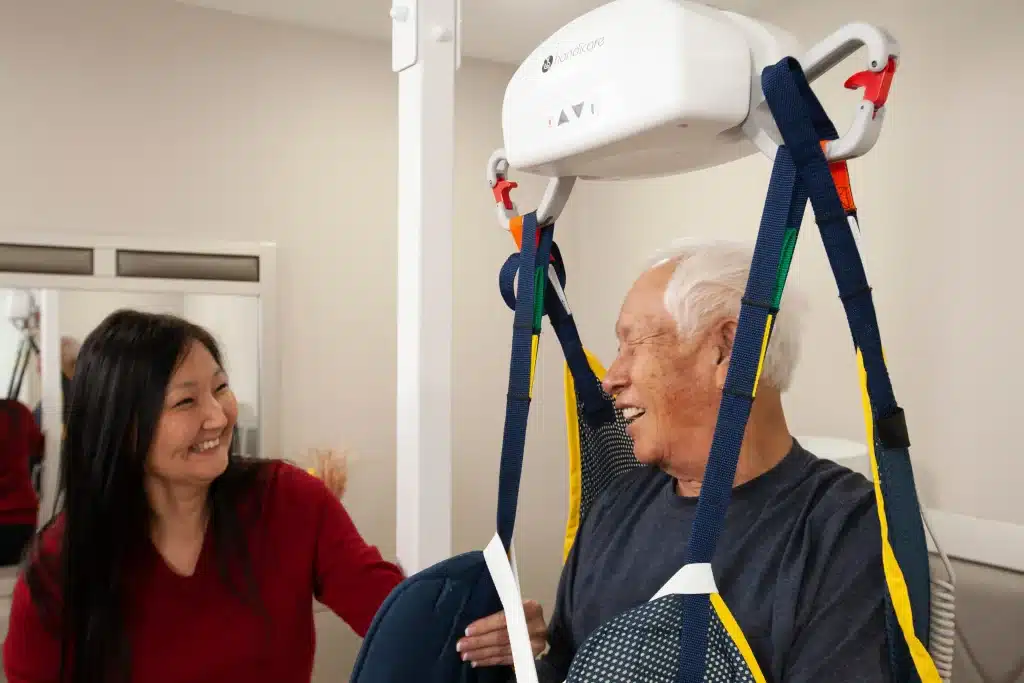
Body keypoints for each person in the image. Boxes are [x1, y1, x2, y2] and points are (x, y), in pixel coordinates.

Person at [457, 239, 890, 682]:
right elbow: (566, 666)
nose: (610, 379)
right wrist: (528, 662)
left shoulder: (846, 532)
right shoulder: (617, 506)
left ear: (728, 349)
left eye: (633, 345)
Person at [2, 310, 407, 683]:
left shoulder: (289, 500)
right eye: (186, 401)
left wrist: (466, 620)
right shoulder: (62, 563)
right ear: (123, 427)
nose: (218, 416)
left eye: (221, 387)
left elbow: (401, 616)